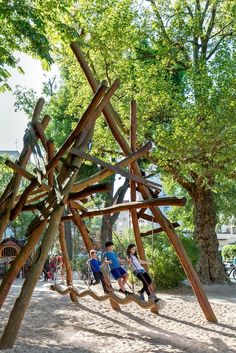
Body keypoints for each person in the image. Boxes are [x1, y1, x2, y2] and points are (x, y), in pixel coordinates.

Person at [126, 243, 166, 308]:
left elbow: (141, 262)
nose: (134, 250)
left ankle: (141, 292)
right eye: (132, 249)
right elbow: (129, 264)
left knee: (149, 281)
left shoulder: (135, 256)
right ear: (129, 249)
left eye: (135, 249)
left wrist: (148, 261)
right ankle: (149, 295)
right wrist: (129, 261)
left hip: (142, 269)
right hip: (136, 271)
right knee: (145, 281)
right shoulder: (128, 256)